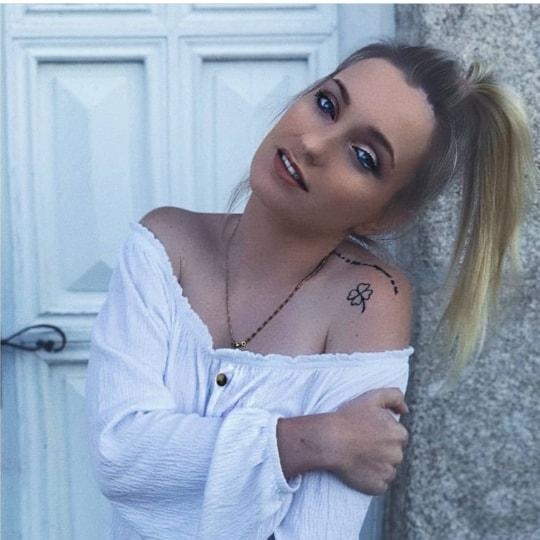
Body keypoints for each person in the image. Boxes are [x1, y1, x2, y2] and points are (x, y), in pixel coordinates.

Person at [85, 39, 535, 539]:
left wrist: (178, 463)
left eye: (363, 156)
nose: (314, 145)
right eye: (326, 104)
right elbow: (118, 453)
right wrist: (314, 441)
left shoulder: (367, 303)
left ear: (384, 216)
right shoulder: (165, 246)